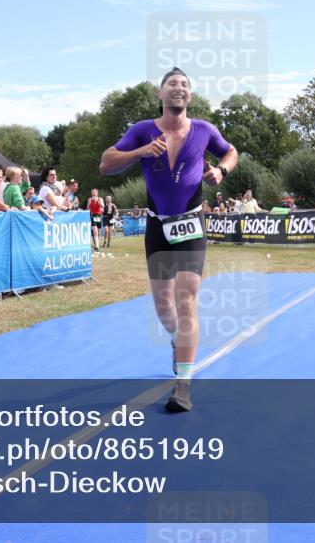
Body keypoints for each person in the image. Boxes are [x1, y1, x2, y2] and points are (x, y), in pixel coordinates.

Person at [100, 67, 238, 413]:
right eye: (172, 84)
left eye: (184, 85)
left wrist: (221, 169)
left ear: (190, 96)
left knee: (187, 299)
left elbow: (231, 151)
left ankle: (183, 385)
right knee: (164, 307)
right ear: (160, 95)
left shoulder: (205, 130)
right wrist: (140, 152)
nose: (179, 88)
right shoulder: (142, 131)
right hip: (157, 227)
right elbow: (106, 163)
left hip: (191, 224)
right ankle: (178, 343)